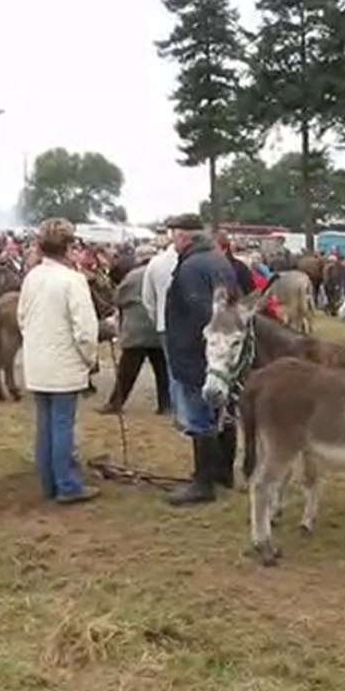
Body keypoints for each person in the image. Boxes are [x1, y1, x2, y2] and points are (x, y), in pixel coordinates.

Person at [17, 218, 100, 504]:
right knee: (62, 425)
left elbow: (22, 318)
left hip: (38, 364)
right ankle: (67, 485)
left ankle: (48, 483)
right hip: (64, 364)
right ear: (67, 247)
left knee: (45, 425)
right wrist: (90, 360)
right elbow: (86, 331)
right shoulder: (73, 281)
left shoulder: (32, 277)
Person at [163, 215, 239, 506]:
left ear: (184, 236)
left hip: (197, 354)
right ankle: (223, 473)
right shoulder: (219, 260)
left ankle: (203, 482)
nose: (172, 240)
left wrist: (193, 350)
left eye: (174, 235)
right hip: (220, 355)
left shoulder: (192, 266)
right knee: (224, 412)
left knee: (199, 417)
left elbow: (200, 315)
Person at [98, 245, 171, 416]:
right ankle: (165, 405)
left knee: (127, 371)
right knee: (162, 371)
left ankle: (115, 404)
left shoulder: (133, 275)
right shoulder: (162, 275)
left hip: (135, 331)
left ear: (139, 258)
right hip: (157, 327)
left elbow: (118, 298)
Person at [142, 236, 179, 412]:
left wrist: (156, 319)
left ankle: (175, 406)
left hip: (164, 323)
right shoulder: (198, 261)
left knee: (172, 368)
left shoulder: (155, 263)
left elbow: (148, 298)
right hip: (193, 325)